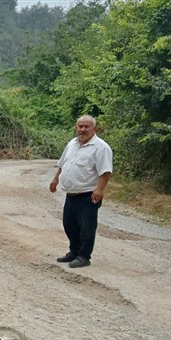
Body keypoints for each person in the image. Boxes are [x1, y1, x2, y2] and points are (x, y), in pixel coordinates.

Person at [49, 115, 113, 268]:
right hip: (70, 194)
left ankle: (84, 256)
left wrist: (100, 190)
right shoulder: (72, 143)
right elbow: (62, 163)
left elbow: (106, 172)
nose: (83, 129)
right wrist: (56, 178)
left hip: (88, 196)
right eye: (80, 126)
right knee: (69, 224)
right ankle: (74, 251)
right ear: (76, 127)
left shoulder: (101, 147)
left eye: (87, 127)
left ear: (94, 129)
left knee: (86, 228)